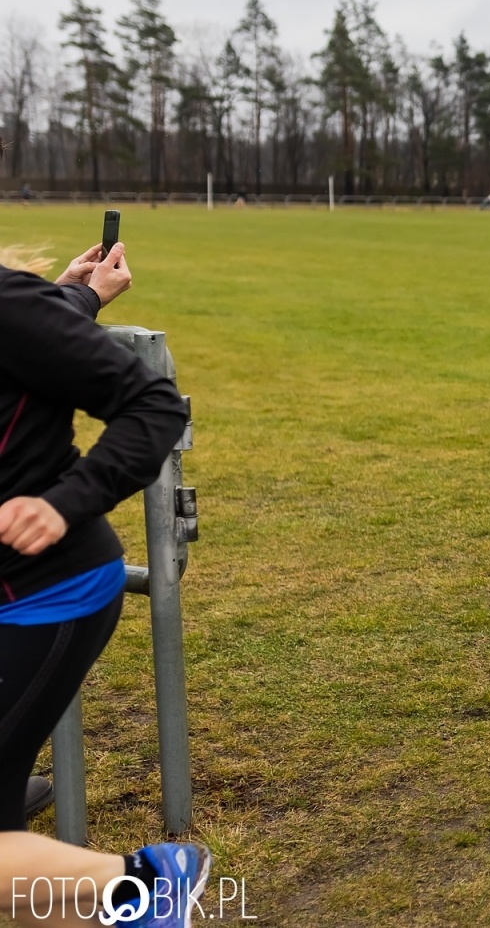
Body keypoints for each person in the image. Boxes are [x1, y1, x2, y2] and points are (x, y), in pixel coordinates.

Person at [0, 239, 210, 926]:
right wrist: (79, 297)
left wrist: (64, 503)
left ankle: (153, 883)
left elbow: (154, 405)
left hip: (43, 594)